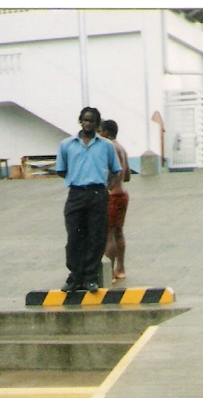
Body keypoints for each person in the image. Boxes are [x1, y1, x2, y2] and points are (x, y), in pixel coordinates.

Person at [54, 107, 122, 293]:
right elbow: (61, 169)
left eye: (92, 121)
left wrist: (107, 187)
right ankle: (75, 276)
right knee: (74, 236)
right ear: (80, 121)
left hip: (98, 194)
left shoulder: (106, 146)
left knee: (96, 236)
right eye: (85, 120)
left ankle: (90, 277)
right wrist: (76, 177)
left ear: (97, 123)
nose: (88, 124)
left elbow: (116, 170)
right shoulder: (67, 145)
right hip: (76, 194)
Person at [98, 119, 131, 283]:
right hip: (123, 193)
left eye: (100, 131)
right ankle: (121, 268)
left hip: (112, 194)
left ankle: (110, 271)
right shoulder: (122, 148)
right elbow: (127, 176)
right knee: (118, 231)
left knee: (108, 233)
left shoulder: (109, 147)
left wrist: (107, 187)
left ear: (106, 132)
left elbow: (110, 172)